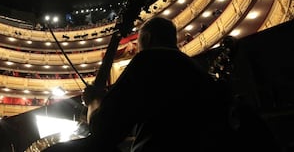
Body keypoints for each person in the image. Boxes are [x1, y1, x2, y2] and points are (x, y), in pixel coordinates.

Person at [43, 16, 242, 152]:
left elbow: (103, 132)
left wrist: (94, 101)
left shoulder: (147, 61)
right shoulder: (197, 70)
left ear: (147, 39)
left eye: (138, 44)